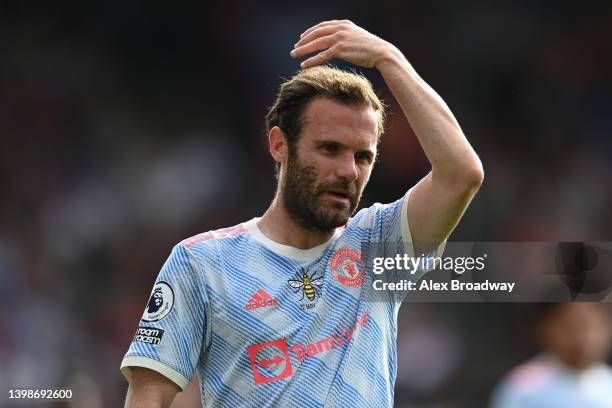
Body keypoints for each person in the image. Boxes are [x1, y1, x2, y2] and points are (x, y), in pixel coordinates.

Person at [120, 19, 483, 407]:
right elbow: (150, 395)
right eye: (329, 149)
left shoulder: (380, 246)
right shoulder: (202, 263)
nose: (348, 171)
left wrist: (388, 58)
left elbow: (461, 174)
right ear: (280, 145)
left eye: (363, 156)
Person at [491, 303, 612, 407]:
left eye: (591, 327)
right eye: (572, 327)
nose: (582, 337)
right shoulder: (523, 386)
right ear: (547, 328)